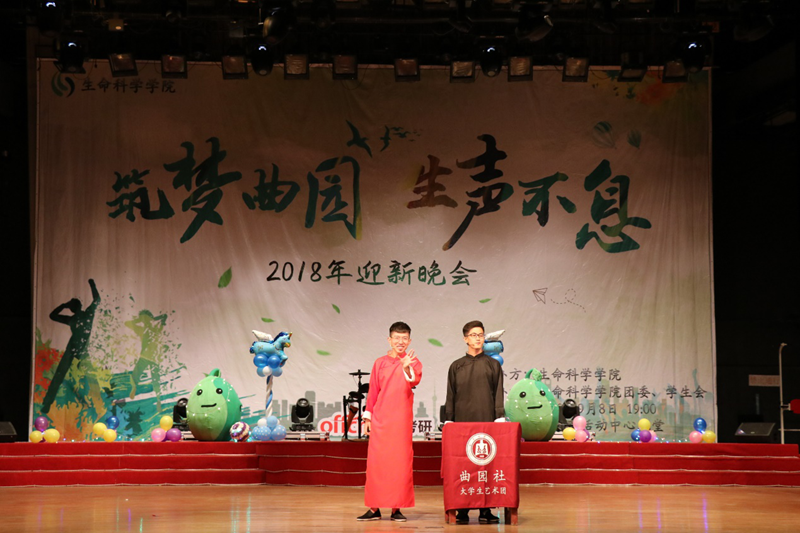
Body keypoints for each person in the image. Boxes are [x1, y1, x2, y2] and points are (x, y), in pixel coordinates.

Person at [357, 321, 422, 522]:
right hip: (380, 420)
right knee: (376, 465)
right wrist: (367, 417)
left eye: (404, 338)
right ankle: (374, 508)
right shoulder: (380, 363)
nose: (400, 342)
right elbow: (373, 391)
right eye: (397, 338)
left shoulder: (413, 361)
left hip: (401, 421)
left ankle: (396, 508)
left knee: (400, 464)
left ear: (409, 341)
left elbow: (414, 380)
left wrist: (406, 367)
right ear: (389, 339)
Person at [444, 320, 505, 524]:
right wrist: (449, 420)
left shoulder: (493, 365)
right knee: (463, 465)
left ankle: (485, 510)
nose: (478, 338)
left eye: (480, 335)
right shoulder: (456, 366)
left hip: (486, 420)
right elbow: (451, 395)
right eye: (473, 335)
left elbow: (498, 392)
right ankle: (461, 509)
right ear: (465, 339)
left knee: (486, 465)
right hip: (461, 422)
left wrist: (499, 416)